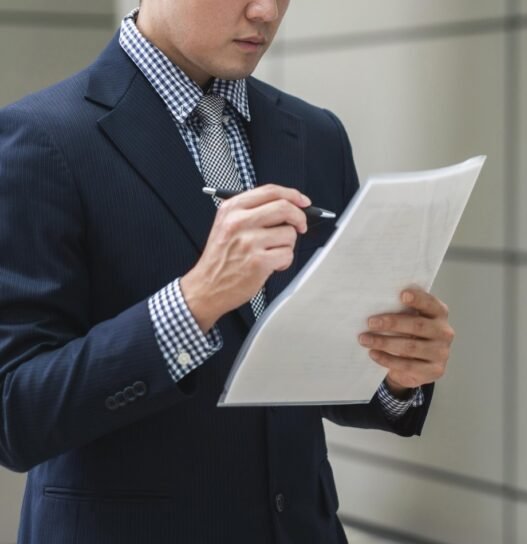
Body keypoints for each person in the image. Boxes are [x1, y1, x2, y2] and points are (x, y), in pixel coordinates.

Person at [0, 1, 455, 542]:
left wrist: (393, 371)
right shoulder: (40, 137)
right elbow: (16, 414)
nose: (265, 10)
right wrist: (194, 302)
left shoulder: (315, 133)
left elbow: (312, 365)